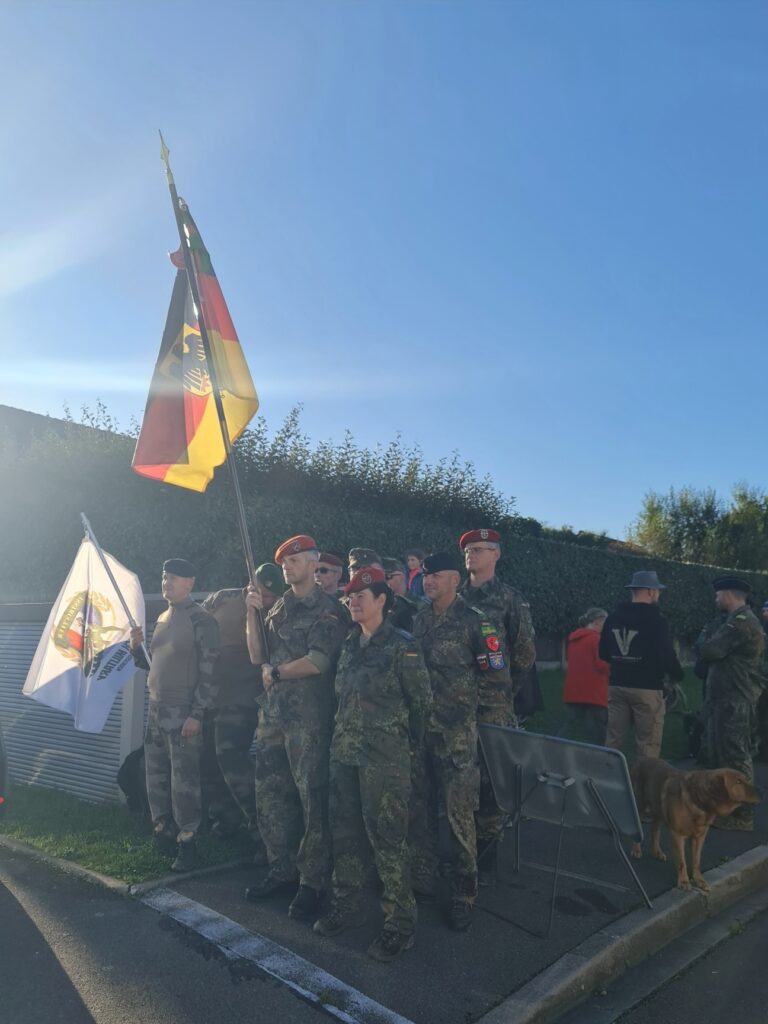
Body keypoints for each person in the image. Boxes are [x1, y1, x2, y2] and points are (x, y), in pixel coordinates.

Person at [314, 567, 432, 963]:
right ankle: (348, 907)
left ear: (383, 600)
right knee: (345, 837)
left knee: (388, 843)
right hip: (345, 756)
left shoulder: (403, 646)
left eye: (363, 595)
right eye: (350, 595)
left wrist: (399, 749)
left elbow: (422, 707)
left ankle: (399, 924)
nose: (354, 601)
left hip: (385, 762)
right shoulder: (349, 645)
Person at [243, 535, 349, 920]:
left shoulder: (329, 609)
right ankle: (281, 869)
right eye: (284, 561)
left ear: (313, 563)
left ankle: (313, 881)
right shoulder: (280, 608)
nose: (287, 565)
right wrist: (251, 613)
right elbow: (257, 654)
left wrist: (278, 672)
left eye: (295, 559)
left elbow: (319, 661)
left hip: (310, 721)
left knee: (311, 801)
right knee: (271, 797)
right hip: (274, 717)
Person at [410, 552, 504, 931]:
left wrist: (471, 718)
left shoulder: (477, 624)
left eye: (436, 576)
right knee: (420, 810)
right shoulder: (419, 619)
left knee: (459, 814)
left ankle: (465, 890)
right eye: (426, 575)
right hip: (421, 732)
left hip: (457, 737)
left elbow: (496, 678)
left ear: (454, 581)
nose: (428, 580)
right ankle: (423, 878)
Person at [130, 558, 220, 873]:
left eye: (175, 578)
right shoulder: (163, 617)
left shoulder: (202, 620)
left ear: (190, 583)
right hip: (157, 709)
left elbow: (210, 673)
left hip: (183, 712)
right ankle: (163, 831)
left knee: (184, 781)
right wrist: (135, 647)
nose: (167, 582)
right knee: (155, 776)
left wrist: (197, 714)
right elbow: (153, 665)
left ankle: (188, 841)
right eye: (165, 576)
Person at [458, 528, 536, 882]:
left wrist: (503, 689)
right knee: (458, 775)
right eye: (468, 550)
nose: (471, 555)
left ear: (496, 555)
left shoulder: (509, 599)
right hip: (455, 704)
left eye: (479, 549)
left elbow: (523, 653)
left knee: (490, 778)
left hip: (492, 705)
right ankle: (461, 847)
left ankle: (487, 844)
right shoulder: (453, 596)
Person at [199, 563, 284, 862]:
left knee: (230, 755)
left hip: (243, 695)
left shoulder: (276, 612)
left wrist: (257, 611)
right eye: (262, 590)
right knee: (207, 757)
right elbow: (201, 623)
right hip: (210, 693)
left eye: (272, 595)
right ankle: (224, 819)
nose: (266, 598)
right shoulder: (223, 598)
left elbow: (261, 654)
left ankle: (261, 830)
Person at [696, 576, 765, 830]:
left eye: (718, 593)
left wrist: (705, 637)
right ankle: (723, 808)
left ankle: (742, 815)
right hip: (725, 699)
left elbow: (709, 651)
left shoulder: (741, 623)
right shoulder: (734, 622)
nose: (715, 598)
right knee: (720, 754)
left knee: (736, 756)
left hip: (736, 699)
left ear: (728, 594)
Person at [600, 571, 683, 759]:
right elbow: (666, 655)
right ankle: (644, 786)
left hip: (617, 685)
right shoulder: (657, 620)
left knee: (613, 739)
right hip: (647, 687)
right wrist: (678, 674)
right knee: (648, 743)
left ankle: (607, 779)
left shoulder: (612, 618)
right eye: (657, 591)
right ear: (651, 592)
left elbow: (603, 653)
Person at [560, 608, 610, 745]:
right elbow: (602, 666)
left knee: (569, 730)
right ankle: (595, 762)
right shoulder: (598, 640)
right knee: (597, 736)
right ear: (598, 621)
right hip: (595, 694)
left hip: (573, 692)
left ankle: (554, 754)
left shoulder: (574, 640)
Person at [382, 557, 425, 632]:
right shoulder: (377, 605)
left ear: (401, 577)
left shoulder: (421, 606)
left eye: (387, 577)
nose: (383, 582)